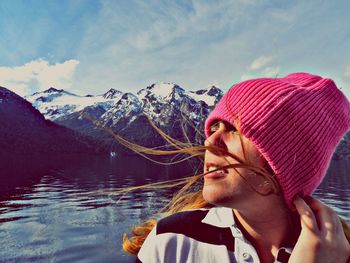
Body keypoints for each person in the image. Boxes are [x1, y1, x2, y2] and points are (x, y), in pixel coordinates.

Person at [123, 72, 350, 263]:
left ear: (290, 159)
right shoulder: (171, 242)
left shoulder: (338, 254)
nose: (209, 142)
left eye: (234, 129)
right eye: (214, 128)